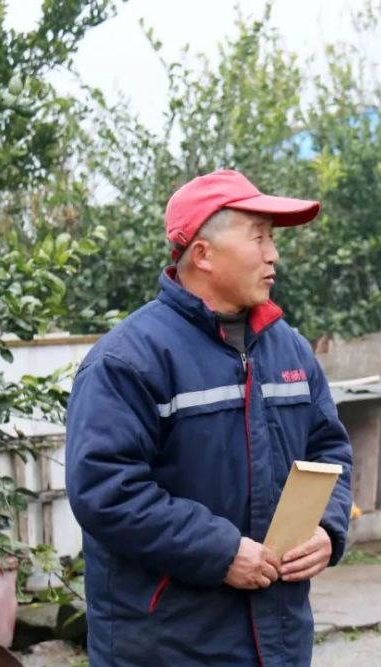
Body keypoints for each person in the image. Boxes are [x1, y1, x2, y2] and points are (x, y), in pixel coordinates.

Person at [66, 169, 353, 666]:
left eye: (272, 238)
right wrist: (218, 551)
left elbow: (330, 451)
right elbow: (106, 490)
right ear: (202, 254)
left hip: (278, 639)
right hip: (168, 644)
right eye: (258, 236)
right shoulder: (128, 361)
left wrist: (327, 530)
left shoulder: (289, 348)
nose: (272, 254)